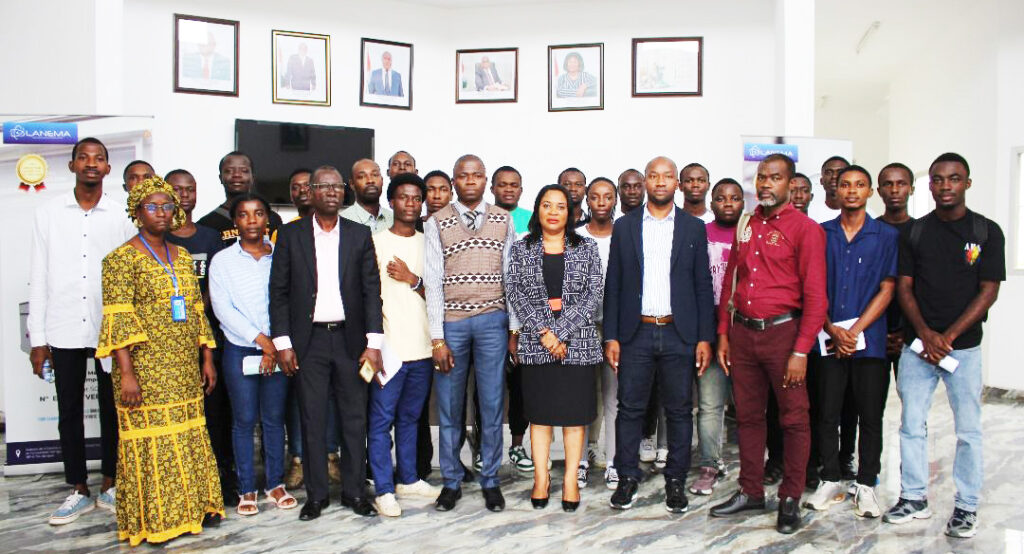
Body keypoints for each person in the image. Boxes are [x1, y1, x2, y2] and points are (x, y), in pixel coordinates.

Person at [95, 176, 223, 545]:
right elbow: (117, 317)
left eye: (167, 206)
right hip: (144, 368)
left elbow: (197, 309)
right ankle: (157, 519)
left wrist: (207, 358)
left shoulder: (182, 257)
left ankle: (193, 510)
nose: (162, 213)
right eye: (153, 207)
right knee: (153, 441)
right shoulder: (119, 260)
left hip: (183, 365)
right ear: (137, 212)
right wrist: (127, 373)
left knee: (187, 434)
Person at [883, 153, 1004, 539]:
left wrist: (948, 338)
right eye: (938, 179)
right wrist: (925, 334)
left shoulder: (987, 231)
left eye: (954, 178)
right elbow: (904, 287)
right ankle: (913, 497)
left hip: (963, 350)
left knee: (968, 430)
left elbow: (989, 291)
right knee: (910, 426)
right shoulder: (915, 232)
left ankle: (967, 506)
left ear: (967, 183)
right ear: (930, 185)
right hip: (918, 349)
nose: (945, 185)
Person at [710, 153, 827, 534]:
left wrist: (800, 350)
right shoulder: (747, 223)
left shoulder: (806, 229)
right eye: (761, 177)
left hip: (783, 336)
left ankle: (790, 497)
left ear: (790, 184)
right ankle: (751, 491)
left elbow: (816, 297)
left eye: (774, 177)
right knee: (746, 417)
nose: (765, 184)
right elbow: (731, 279)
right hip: (743, 335)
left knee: (793, 419)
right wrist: (725, 334)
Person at [270, 165, 384, 521]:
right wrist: (283, 342)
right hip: (309, 341)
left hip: (351, 341)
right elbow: (279, 292)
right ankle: (316, 496)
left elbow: (370, 292)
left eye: (337, 186)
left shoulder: (358, 235)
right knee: (312, 419)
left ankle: (354, 493)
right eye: (324, 186)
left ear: (343, 191)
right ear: (312, 192)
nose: (332, 192)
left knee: (354, 419)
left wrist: (374, 342)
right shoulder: (291, 236)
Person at [28, 137, 132, 525]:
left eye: (99, 158)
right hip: (64, 324)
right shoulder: (48, 213)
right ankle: (78, 489)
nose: (91, 163)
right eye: (83, 158)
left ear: (107, 169)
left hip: (110, 329)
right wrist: (38, 340)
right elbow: (38, 276)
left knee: (114, 408)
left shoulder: (123, 214)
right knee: (68, 409)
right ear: (71, 166)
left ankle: (110, 483)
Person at [604, 156, 715, 514]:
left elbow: (702, 286)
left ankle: (676, 481)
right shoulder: (625, 226)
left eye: (669, 176)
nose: (661, 181)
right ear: (647, 182)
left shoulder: (693, 228)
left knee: (680, 411)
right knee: (630, 409)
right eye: (655, 175)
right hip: (635, 332)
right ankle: (627, 478)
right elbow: (614, 285)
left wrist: (703, 338)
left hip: (678, 334)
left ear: (677, 184)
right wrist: (612, 336)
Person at [803, 166, 898, 519]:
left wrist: (854, 330)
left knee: (870, 415)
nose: (852, 191)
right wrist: (830, 327)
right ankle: (830, 479)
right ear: (835, 190)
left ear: (870, 191)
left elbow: (888, 289)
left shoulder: (885, 235)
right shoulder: (821, 233)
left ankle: (868, 484)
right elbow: (813, 287)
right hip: (828, 339)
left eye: (859, 185)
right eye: (845, 185)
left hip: (868, 341)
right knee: (826, 412)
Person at [425, 154, 517, 513]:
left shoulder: (503, 219)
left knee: (493, 403)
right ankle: (450, 481)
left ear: (485, 180)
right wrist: (437, 337)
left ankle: (490, 480)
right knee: (449, 406)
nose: (470, 181)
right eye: (463, 176)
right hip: (453, 324)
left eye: (477, 175)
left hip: (493, 321)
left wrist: (513, 328)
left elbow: (510, 275)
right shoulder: (437, 222)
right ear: (454, 181)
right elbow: (432, 281)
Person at [506, 184, 603, 512]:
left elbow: (593, 295)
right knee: (541, 418)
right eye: (546, 205)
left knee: (575, 419)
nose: (553, 211)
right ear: (537, 210)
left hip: (578, 343)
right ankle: (542, 479)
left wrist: (560, 333)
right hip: (537, 342)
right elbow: (516, 292)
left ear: (570, 213)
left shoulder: (587, 247)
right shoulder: (522, 248)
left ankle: (572, 481)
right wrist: (545, 334)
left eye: (560, 206)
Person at [209, 192, 297, 517]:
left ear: (267, 220)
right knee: (244, 421)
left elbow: (289, 301)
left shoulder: (280, 257)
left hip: (279, 349)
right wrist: (263, 341)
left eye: (258, 214)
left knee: (274, 421)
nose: (251, 221)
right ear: (235, 222)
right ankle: (247, 487)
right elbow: (222, 309)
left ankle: (275, 484)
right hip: (241, 349)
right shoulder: (223, 261)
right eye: (244, 215)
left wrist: (276, 343)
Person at [367, 173, 442, 517]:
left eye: (416, 198)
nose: (410, 204)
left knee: (411, 418)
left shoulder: (430, 243)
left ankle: (408, 479)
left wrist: (413, 280)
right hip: (389, 349)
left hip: (423, 347)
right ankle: (383, 488)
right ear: (391, 202)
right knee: (381, 421)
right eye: (403, 197)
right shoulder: (374, 241)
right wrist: (374, 344)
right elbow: (364, 296)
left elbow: (440, 294)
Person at [165, 169, 236, 505]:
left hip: (210, 338)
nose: (184, 195)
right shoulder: (157, 238)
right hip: (169, 343)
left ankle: (221, 476)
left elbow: (219, 282)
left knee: (216, 411)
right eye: (176, 189)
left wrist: (197, 308)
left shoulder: (211, 237)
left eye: (189, 189)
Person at [690, 177, 744, 497]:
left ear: (742, 203)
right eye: (721, 198)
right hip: (709, 325)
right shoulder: (700, 235)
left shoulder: (752, 235)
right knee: (710, 403)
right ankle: (710, 464)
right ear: (711, 203)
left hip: (748, 326)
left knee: (751, 405)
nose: (727, 203)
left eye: (734, 198)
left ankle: (758, 466)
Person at [576, 177, 618, 490]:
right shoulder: (574, 237)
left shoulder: (627, 236)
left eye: (607, 197)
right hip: (581, 328)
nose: (601, 202)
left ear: (614, 200)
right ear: (587, 201)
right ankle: (580, 457)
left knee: (613, 397)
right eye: (595, 197)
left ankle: (615, 460)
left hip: (615, 328)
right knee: (581, 396)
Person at [877, 162, 916, 375]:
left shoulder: (923, 232)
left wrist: (907, 332)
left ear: (912, 188)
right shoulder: (870, 231)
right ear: (879, 190)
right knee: (869, 406)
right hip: (873, 331)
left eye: (901, 184)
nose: (894, 190)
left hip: (912, 333)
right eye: (888, 184)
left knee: (912, 404)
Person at [197, 151, 284, 246]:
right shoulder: (207, 224)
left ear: (252, 178)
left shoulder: (272, 219)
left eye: (244, 171)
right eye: (229, 171)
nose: (236, 175)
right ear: (220, 178)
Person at [342, 159, 393, 233]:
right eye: (362, 176)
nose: (370, 180)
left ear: (382, 180)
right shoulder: (342, 221)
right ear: (352, 184)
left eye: (375, 175)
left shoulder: (394, 220)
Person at [492, 166, 531, 236]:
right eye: (502, 185)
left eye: (514, 185)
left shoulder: (534, 219)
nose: (508, 189)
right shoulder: (480, 218)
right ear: (492, 189)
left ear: (521, 190)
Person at [808, 155, 849, 223]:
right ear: (821, 180)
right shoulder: (810, 215)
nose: (834, 176)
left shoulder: (867, 215)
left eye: (840, 172)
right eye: (829, 173)